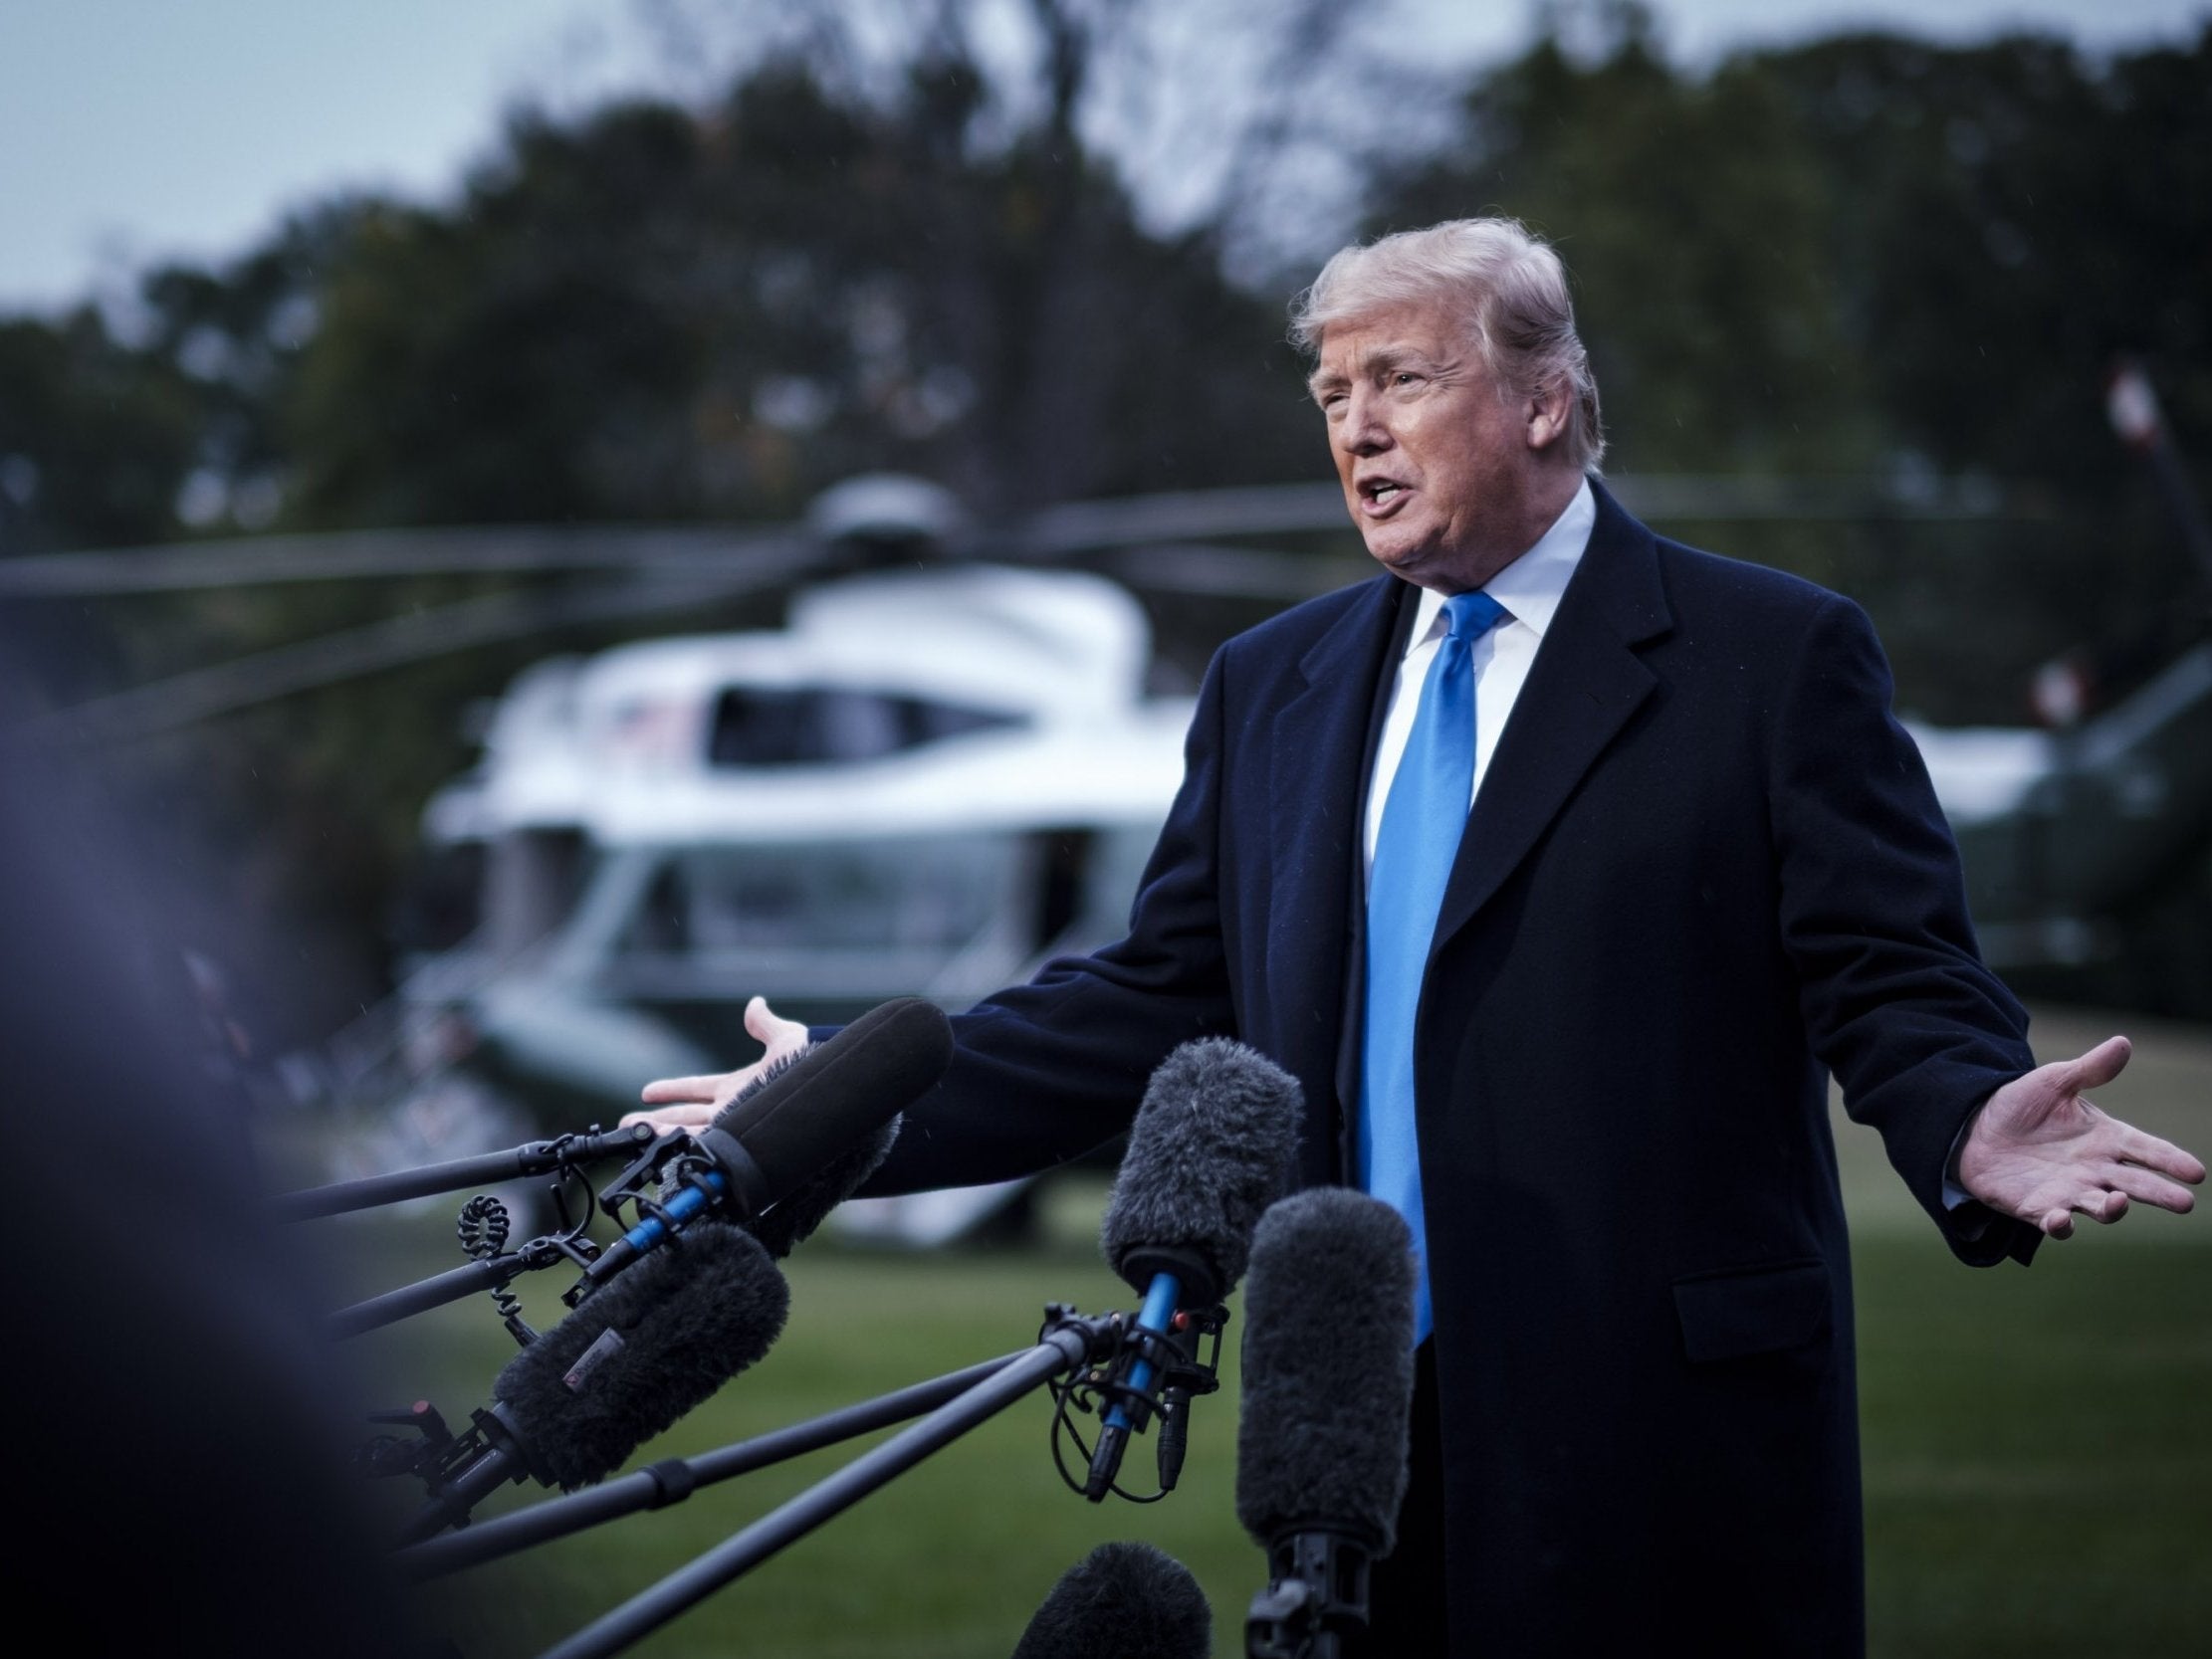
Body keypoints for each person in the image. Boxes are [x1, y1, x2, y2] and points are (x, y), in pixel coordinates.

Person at [629, 219, 2203, 1655]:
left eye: (1399, 378)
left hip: (1664, 1439)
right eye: (1330, 395)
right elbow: (1152, 998)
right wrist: (841, 1101)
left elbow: (1892, 972)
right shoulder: (1272, 684)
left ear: (1543, 400)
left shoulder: (1771, 656)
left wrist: (1957, 1117)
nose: (1355, 427)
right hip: (1350, 1435)